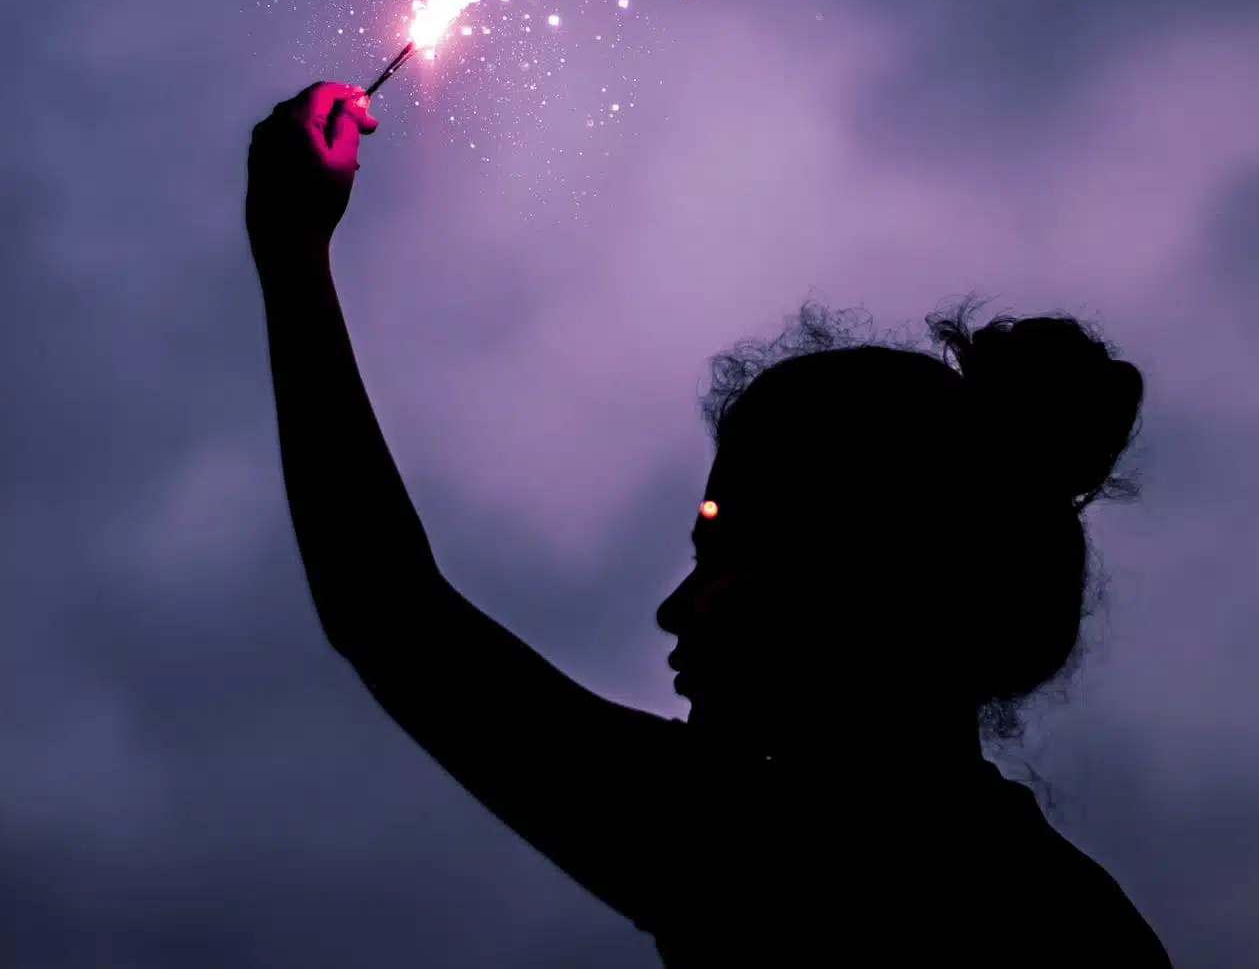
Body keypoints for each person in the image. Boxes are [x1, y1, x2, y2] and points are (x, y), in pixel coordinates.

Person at [246, 81, 1175, 966]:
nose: (675, 610)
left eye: (730, 551)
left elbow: (389, 614)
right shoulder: (1083, 924)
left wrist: (292, 252)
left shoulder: (776, 855)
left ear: (867, 577)